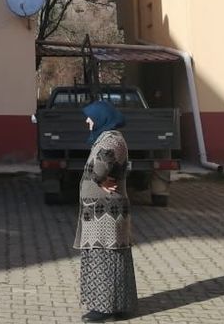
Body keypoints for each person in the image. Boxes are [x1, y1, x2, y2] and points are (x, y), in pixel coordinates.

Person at [73, 99, 137, 322]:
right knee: (111, 256)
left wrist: (97, 180)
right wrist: (98, 180)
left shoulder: (111, 141)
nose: (87, 121)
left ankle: (103, 309)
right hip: (102, 211)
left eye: (90, 117)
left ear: (102, 118)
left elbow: (99, 169)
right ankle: (117, 306)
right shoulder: (108, 138)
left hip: (106, 214)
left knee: (103, 257)